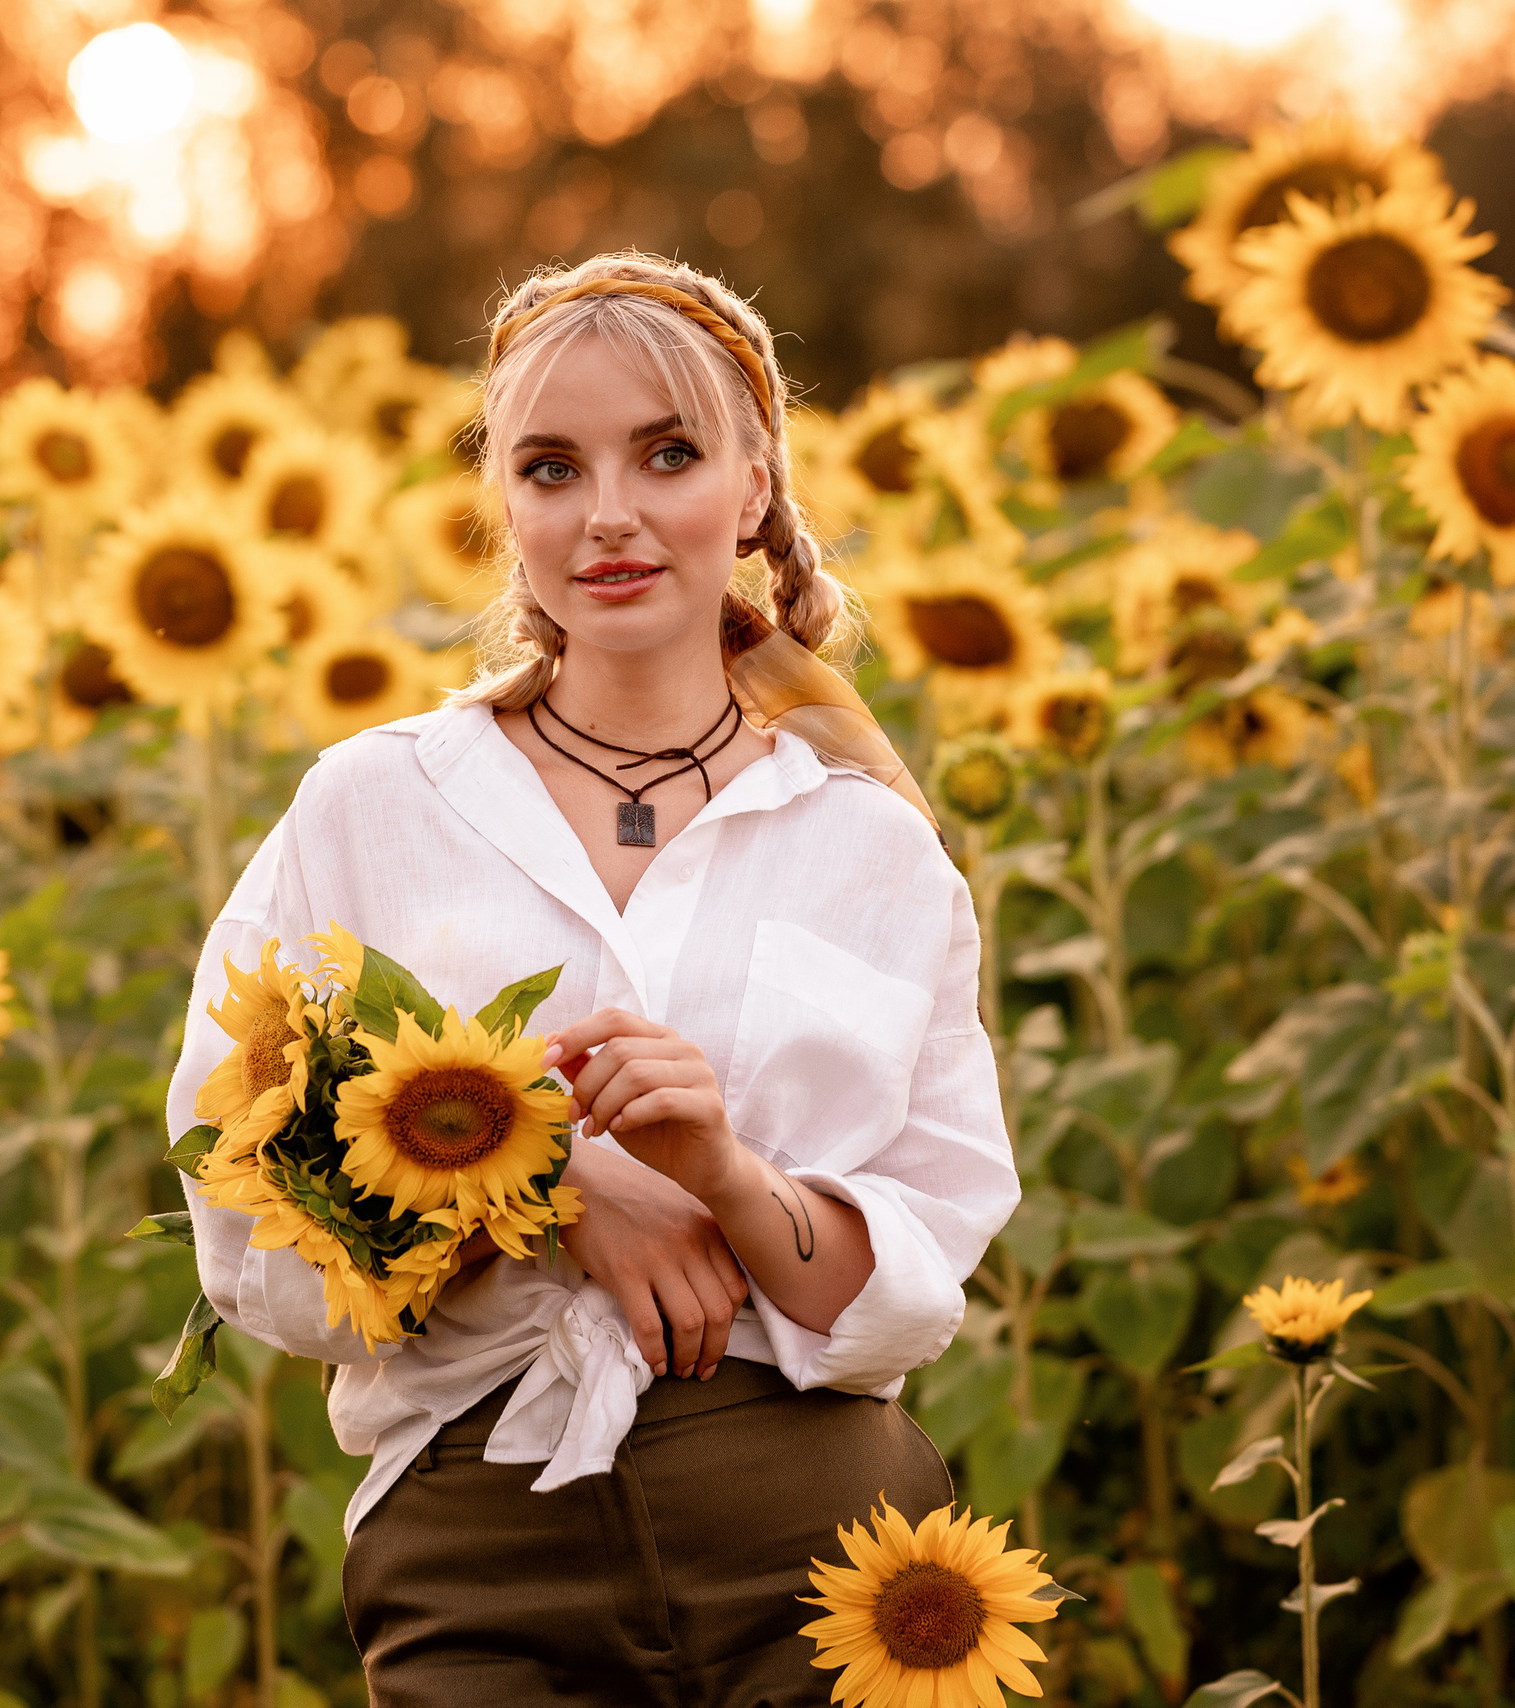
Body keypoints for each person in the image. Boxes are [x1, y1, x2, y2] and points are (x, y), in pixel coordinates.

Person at [168, 251, 1016, 1707]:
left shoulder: (871, 847)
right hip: (479, 1546)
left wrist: (727, 1177)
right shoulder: (370, 807)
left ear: (753, 487)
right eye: (552, 466)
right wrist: (546, 1190)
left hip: (821, 1558)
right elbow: (239, 1223)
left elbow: (916, 1286)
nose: (608, 514)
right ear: (503, 501)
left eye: (669, 454)